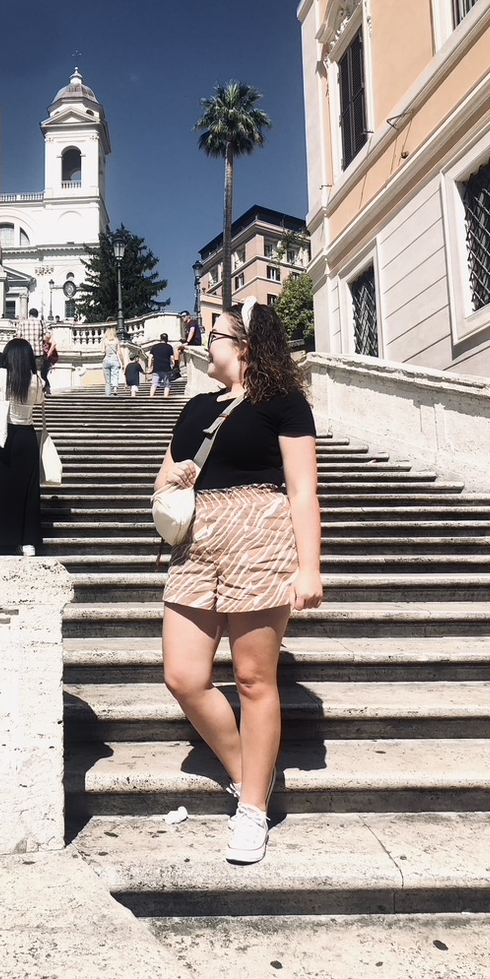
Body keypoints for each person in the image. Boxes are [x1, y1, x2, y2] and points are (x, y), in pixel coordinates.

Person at [154, 297, 323, 866]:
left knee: (254, 679)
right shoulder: (196, 406)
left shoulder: (284, 403)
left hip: (261, 534)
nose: (206, 342)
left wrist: (310, 566)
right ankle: (250, 776)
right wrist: (171, 479)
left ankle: (251, 809)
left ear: (245, 345)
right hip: (198, 542)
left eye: (216, 333)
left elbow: (302, 489)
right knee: (183, 676)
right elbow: (162, 483)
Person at [0, 338, 45, 557]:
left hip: (6, 436)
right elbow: (40, 401)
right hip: (28, 436)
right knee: (29, 491)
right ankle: (28, 543)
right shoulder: (36, 379)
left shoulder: (2, 374)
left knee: (1, 490)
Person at [17, 307, 48, 390]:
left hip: (25, 352)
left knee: (25, 372)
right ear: (37, 315)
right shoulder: (41, 323)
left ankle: (25, 390)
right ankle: (39, 390)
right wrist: (44, 344)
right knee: (38, 373)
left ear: (29, 314)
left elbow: (18, 337)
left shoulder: (22, 323)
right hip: (38, 352)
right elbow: (47, 336)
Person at [148, 332, 175, 398]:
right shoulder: (169, 347)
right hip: (166, 368)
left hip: (156, 368)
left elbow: (150, 357)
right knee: (167, 385)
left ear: (160, 339)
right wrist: (173, 365)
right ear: (167, 339)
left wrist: (149, 367)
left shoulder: (154, 347)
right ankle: (165, 397)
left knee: (154, 384)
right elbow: (172, 358)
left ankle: (151, 397)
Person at [102, 327, 125, 396]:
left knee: (107, 380)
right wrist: (123, 363)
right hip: (114, 359)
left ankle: (108, 393)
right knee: (115, 375)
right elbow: (120, 353)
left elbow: (102, 351)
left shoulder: (105, 340)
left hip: (106, 359)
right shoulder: (116, 340)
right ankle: (115, 389)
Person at [43, 331, 58, 395]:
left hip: (49, 358)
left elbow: (54, 343)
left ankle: (47, 388)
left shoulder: (46, 337)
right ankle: (45, 388)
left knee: (43, 373)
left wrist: (48, 353)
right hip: (45, 358)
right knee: (43, 374)